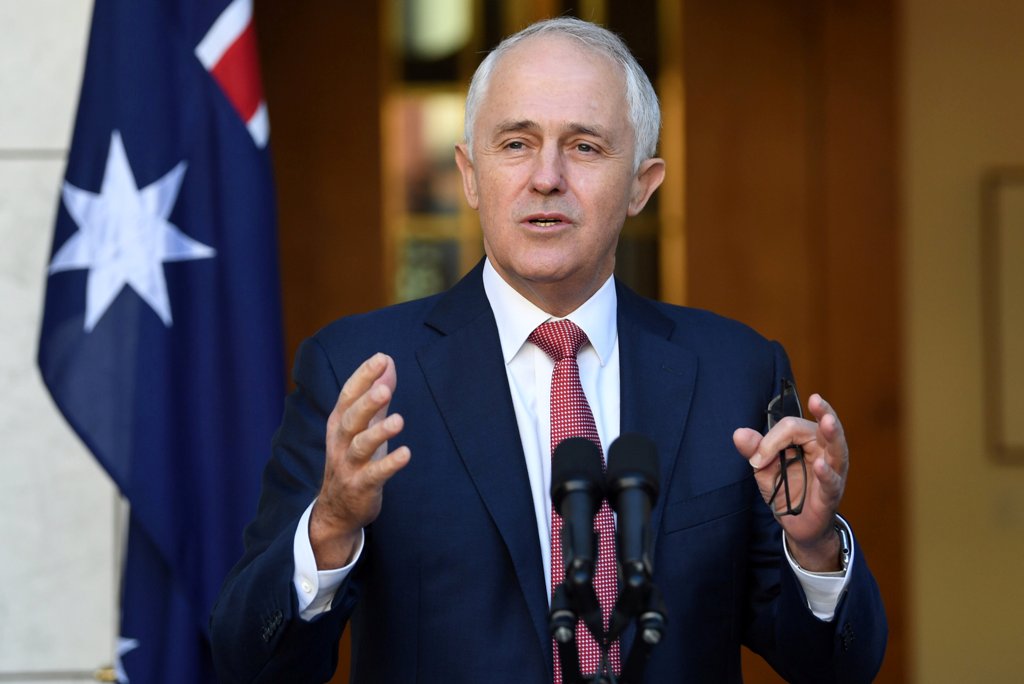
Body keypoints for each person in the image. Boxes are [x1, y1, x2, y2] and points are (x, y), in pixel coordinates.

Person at [210, 16, 887, 683]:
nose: (547, 177)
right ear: (470, 175)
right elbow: (250, 661)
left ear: (641, 187)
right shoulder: (360, 376)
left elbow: (838, 666)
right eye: (515, 144)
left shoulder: (736, 373)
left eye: (586, 147)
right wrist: (329, 526)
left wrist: (816, 546)